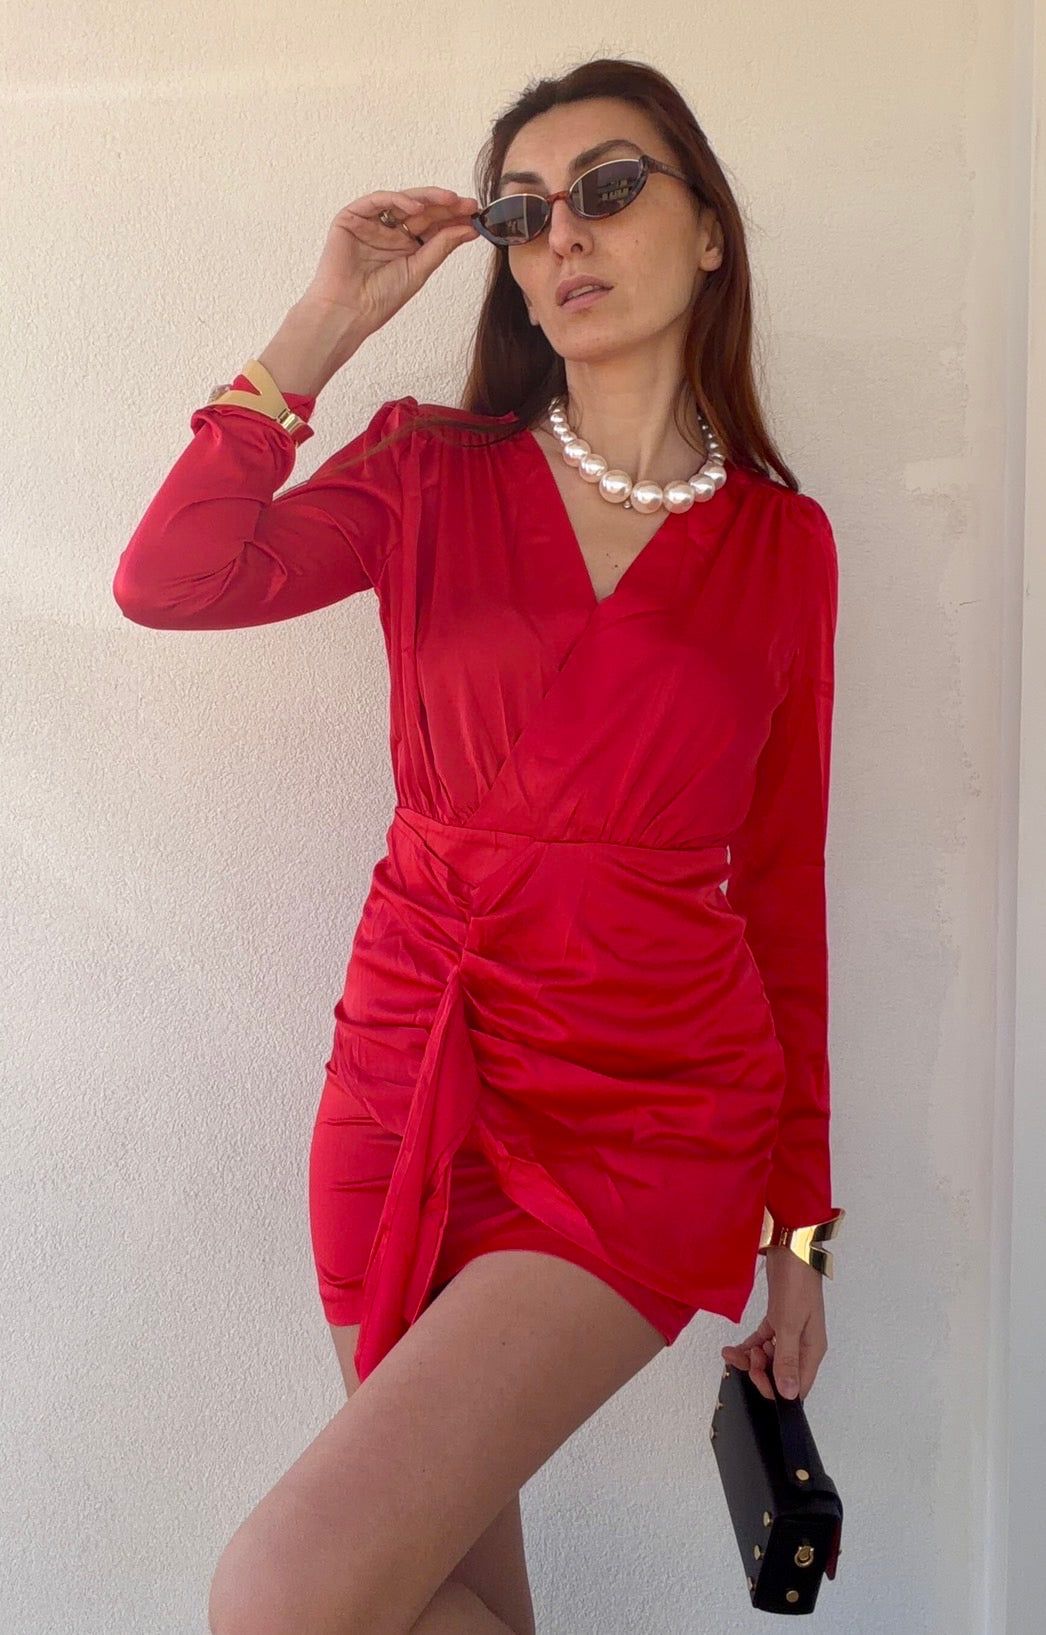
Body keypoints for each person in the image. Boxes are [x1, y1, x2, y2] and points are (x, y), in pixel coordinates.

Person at [113, 55, 845, 1635]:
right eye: (522, 213)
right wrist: (326, 321)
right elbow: (171, 579)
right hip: (410, 1077)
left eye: (609, 188)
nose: (561, 234)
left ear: (707, 229)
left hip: (647, 1114)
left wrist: (799, 1234)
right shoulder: (426, 469)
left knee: (286, 1592)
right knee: (417, 1603)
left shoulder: (782, 545)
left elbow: (783, 889)